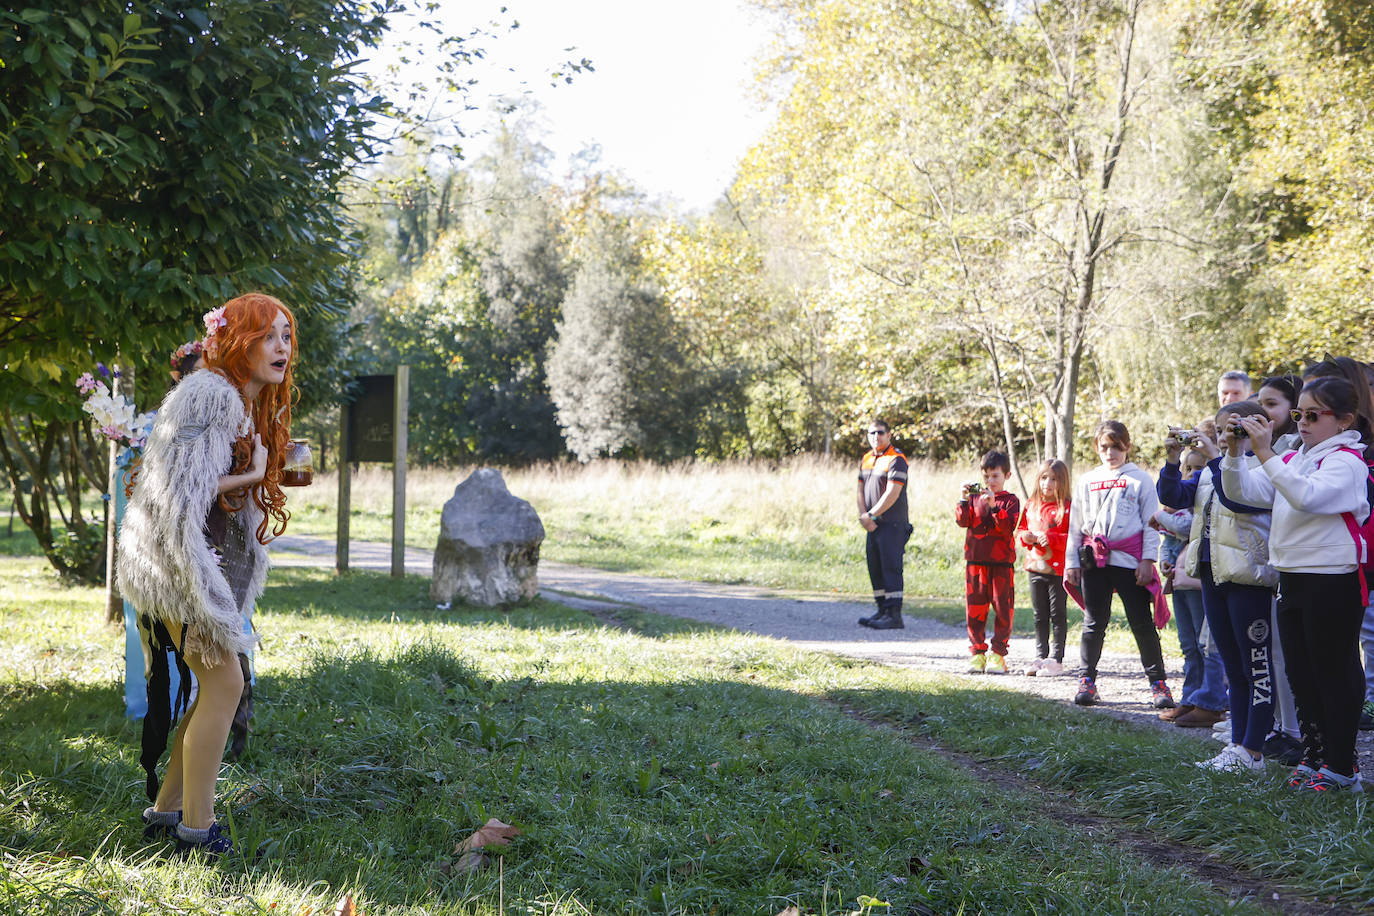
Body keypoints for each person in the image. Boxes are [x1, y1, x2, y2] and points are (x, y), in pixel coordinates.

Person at [119, 292, 297, 851]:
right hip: (178, 569)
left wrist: (261, 478)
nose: (281, 348)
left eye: (287, 336)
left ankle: (166, 812)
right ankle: (198, 830)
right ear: (239, 342)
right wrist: (253, 477)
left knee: (213, 691)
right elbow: (177, 494)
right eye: (268, 335)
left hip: (192, 565)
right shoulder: (209, 395)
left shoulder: (239, 402)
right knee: (226, 683)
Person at [1222, 372, 1372, 792]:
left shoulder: (1346, 462)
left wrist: (1266, 451)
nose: (1301, 422)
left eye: (1312, 415)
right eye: (1298, 414)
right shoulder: (1294, 458)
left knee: (1334, 671)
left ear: (1344, 420)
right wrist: (1236, 454)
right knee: (1302, 675)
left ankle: (1343, 768)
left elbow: (1306, 496)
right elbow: (1244, 492)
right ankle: (1316, 756)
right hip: (1292, 576)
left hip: (1332, 578)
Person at [1163, 402, 1278, 773]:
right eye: (1221, 430)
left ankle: (1254, 751)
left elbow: (1238, 500)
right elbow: (1175, 497)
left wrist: (1220, 454)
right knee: (1232, 665)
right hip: (1212, 573)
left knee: (1254, 666)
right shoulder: (1211, 470)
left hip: (1248, 576)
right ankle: (1237, 746)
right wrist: (1171, 459)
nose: (1227, 437)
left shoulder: (1263, 466)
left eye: (1236, 429)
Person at [1065, 420, 1175, 709]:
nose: (1110, 452)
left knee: (1141, 622)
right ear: (1096, 448)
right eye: (1104, 447)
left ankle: (1158, 683)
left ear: (1127, 447)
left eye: (1116, 446)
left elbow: (1152, 524)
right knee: (1093, 622)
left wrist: (1147, 559)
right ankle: (1087, 680)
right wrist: (1072, 562)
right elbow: (1076, 525)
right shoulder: (1086, 481)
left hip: (1129, 561)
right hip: (1094, 562)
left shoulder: (1140, 480)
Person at [1153, 448, 1227, 729]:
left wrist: (1160, 518)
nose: (1194, 473)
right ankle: (1190, 696)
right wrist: (1164, 561)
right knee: (1188, 644)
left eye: (1200, 467)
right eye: (1189, 468)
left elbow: (1188, 527)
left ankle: (1209, 700)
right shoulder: (1182, 499)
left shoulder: (1209, 495)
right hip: (1180, 581)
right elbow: (1168, 541)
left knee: (1204, 644)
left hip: (1199, 581)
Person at [1253, 374, 1306, 764]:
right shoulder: (1264, 447)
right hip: (1268, 559)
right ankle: (1279, 727)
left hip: (1299, 560)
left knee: (1294, 652)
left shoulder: (1294, 449)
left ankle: (1297, 732)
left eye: (1272, 405)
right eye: (1260, 404)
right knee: (1272, 650)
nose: (1263, 412)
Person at [956, 450, 1020, 674]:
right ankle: (977, 653)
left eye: (995, 476)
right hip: (975, 561)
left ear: (1007, 475)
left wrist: (994, 506)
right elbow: (962, 521)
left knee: (1003, 609)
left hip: (1001, 563)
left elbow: (1007, 527)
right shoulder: (974, 498)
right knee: (975, 609)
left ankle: (998, 654)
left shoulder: (1010, 501)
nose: (990, 481)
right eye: (986, 477)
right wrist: (963, 498)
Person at [1015, 459, 1071, 677]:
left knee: (1057, 614)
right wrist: (1025, 537)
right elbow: (1020, 529)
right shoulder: (1031, 504)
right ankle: (1040, 655)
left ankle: (1056, 658)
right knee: (1039, 615)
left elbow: (1074, 538)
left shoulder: (1066, 508)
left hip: (1058, 571)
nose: (1048, 483)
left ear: (1062, 482)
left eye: (1054, 479)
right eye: (1044, 478)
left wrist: (1052, 539)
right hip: (1035, 568)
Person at [856, 418, 913, 630]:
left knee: (891, 568)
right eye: (872, 433)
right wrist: (864, 516)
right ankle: (882, 610)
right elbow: (860, 491)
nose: (876, 437)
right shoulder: (866, 459)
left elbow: (892, 492)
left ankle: (894, 615)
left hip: (892, 524)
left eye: (880, 433)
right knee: (875, 567)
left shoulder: (896, 459)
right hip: (872, 523)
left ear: (889, 435)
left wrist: (871, 515)